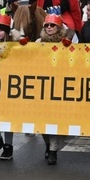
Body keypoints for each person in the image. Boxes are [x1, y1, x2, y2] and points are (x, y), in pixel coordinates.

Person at [0, 13, 27, 160]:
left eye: (1, 29)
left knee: (7, 117)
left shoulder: (14, 47)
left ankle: (8, 146)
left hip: (8, 87)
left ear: (7, 31)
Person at [36, 9, 70, 165]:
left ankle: (53, 151)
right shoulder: (38, 43)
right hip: (41, 87)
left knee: (54, 120)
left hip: (58, 87)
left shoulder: (65, 44)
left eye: (52, 25)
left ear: (59, 28)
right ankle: (47, 144)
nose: (49, 28)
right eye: (47, 25)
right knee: (42, 120)